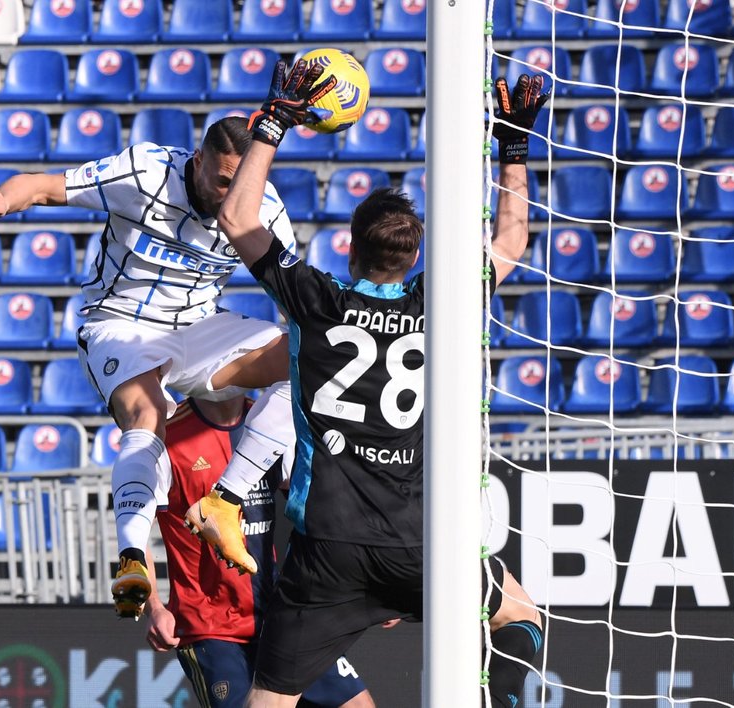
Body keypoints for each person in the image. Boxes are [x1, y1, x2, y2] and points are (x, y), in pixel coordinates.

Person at [185, 61, 548, 707]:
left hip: (326, 550)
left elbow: (239, 219)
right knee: (518, 613)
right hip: (420, 541)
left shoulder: (316, 300)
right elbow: (513, 238)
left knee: (271, 699)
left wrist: (271, 124)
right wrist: (513, 147)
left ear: (350, 251)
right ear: (415, 258)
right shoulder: (445, 303)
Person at [0, 117, 300, 618]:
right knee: (147, 418)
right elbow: (44, 187)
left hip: (199, 328)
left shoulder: (262, 207)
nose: (232, 193)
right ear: (198, 159)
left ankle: (226, 501)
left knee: (307, 355)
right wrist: (3, 199)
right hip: (119, 323)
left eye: (242, 181)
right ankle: (133, 557)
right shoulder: (146, 173)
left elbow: (297, 302)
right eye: (223, 180)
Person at [146, 394, 375, 707]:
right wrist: (155, 606)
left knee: (358, 704)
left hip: (279, 616)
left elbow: (315, 506)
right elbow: (134, 531)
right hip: (211, 627)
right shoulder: (166, 437)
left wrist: (368, 577)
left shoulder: (272, 422)